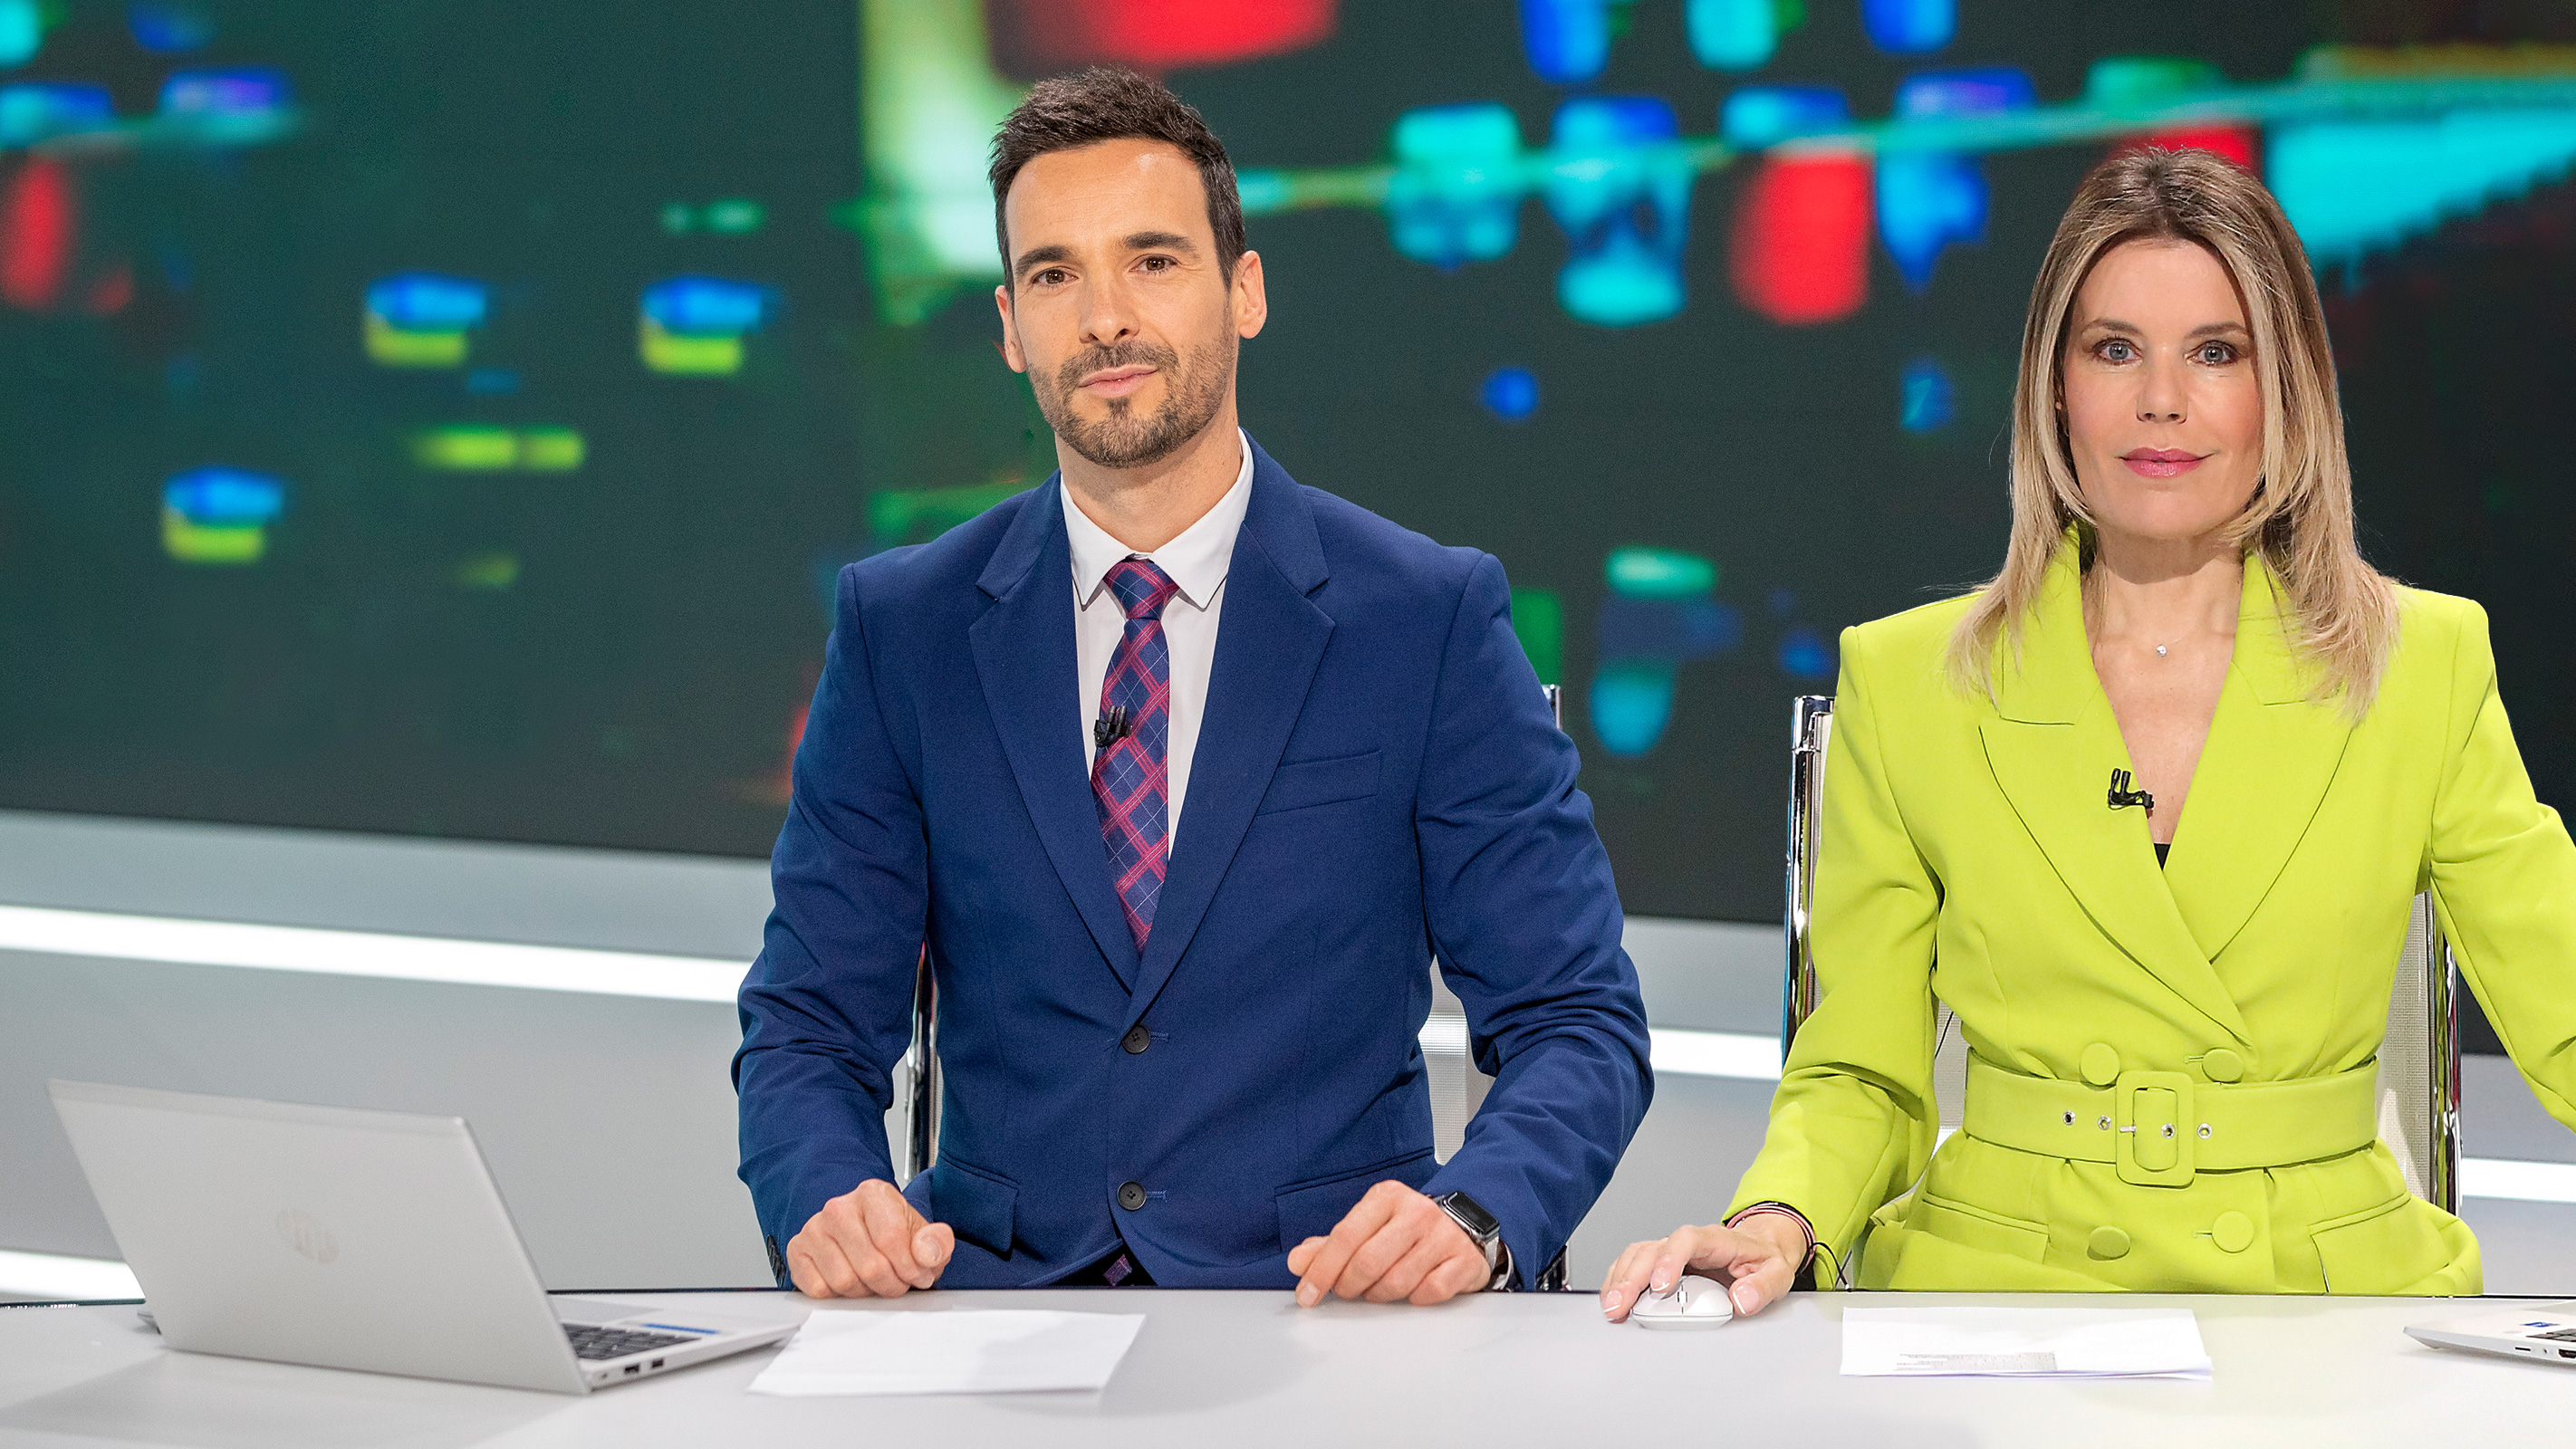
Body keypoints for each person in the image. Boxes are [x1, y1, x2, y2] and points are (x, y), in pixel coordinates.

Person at [1603, 147, 2576, 1321]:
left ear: (2286, 389)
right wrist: (1776, 1219)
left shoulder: (2417, 666)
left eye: (2215, 353)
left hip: (2322, 1295)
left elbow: (2563, 999)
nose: (2162, 400)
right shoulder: (1912, 684)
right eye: (2115, 349)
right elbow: (1859, 1070)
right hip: (2003, 1290)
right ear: (2054, 388)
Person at [735, 68, 1650, 1305]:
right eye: (1055, 275)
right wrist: (825, 1199)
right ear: (1010, 326)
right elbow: (806, 1027)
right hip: (998, 1313)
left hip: (1323, 1305)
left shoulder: (1425, 617)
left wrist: (1474, 1218)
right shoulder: (904, 629)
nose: (1104, 318)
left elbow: (1576, 1020)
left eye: (1152, 261)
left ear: (1246, 290)